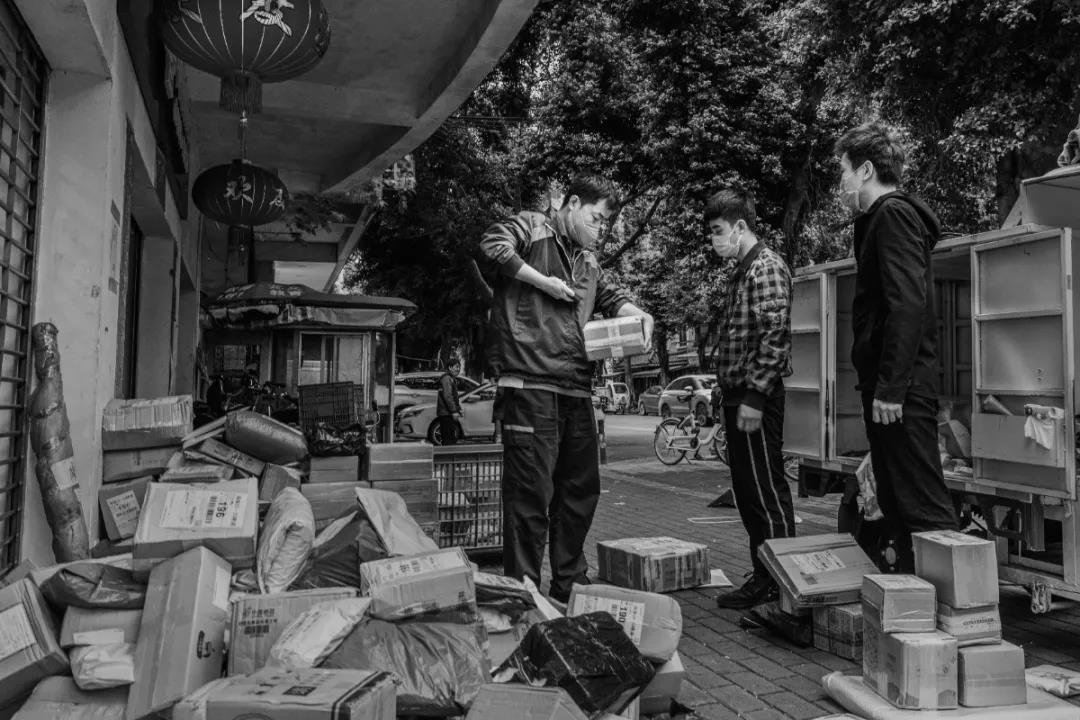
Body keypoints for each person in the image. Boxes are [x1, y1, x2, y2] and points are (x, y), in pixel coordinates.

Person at [480, 175, 654, 603]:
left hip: (576, 387)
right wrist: (542, 281)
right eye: (596, 218)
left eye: (606, 223)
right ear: (573, 203)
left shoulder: (588, 261)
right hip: (530, 382)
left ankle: (569, 583)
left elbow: (610, 296)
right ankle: (522, 594)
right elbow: (493, 244)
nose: (600, 228)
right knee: (529, 496)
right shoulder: (532, 226)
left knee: (579, 491)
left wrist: (639, 314)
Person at [835, 122, 959, 574]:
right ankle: (917, 602)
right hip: (889, 390)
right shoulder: (877, 221)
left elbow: (908, 304)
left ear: (866, 170)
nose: (841, 183)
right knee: (897, 501)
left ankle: (960, 607)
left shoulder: (893, 216)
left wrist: (891, 388)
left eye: (844, 171)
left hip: (900, 393)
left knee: (922, 506)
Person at [706, 189, 797, 609]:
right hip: (737, 397)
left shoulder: (767, 267)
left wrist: (756, 395)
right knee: (748, 492)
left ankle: (781, 583)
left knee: (766, 491)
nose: (714, 240)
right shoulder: (741, 272)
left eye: (718, 230)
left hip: (755, 398)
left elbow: (774, 337)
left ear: (740, 226)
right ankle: (764, 575)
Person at [436, 360, 463, 445]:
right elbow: (448, 396)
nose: (458, 369)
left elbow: (453, 397)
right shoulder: (447, 379)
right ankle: (446, 453)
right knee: (448, 439)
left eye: (459, 367)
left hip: (448, 413)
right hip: (446, 413)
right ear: (450, 368)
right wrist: (454, 411)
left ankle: (448, 452)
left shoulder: (451, 379)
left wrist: (458, 409)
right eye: (456, 367)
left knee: (450, 438)